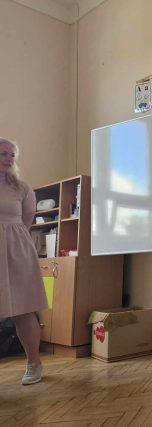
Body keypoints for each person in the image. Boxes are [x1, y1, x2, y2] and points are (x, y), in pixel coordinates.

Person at [0, 137, 49, 385]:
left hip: (16, 250)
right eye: (3, 154)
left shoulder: (22, 188)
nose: (9, 159)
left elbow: (27, 218)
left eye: (12, 155)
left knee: (23, 308)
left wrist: (11, 239)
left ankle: (33, 363)